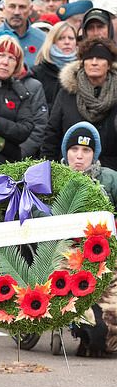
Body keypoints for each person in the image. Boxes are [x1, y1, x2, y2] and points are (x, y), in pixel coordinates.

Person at [59, 122, 117, 356]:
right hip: (67, 258)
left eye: (86, 151)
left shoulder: (110, 179)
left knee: (109, 329)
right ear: (65, 153)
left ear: (95, 154)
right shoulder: (51, 179)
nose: (79, 157)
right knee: (95, 332)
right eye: (74, 150)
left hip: (108, 257)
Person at [41, 37, 117, 170]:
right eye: (89, 58)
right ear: (82, 63)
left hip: (111, 172)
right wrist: (48, 170)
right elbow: (52, 133)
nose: (94, 62)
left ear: (109, 64)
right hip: (70, 171)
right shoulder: (67, 92)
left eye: (100, 58)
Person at [31, 21, 78, 110]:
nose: (67, 42)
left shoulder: (83, 70)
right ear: (52, 41)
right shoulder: (37, 72)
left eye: (71, 38)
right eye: (61, 38)